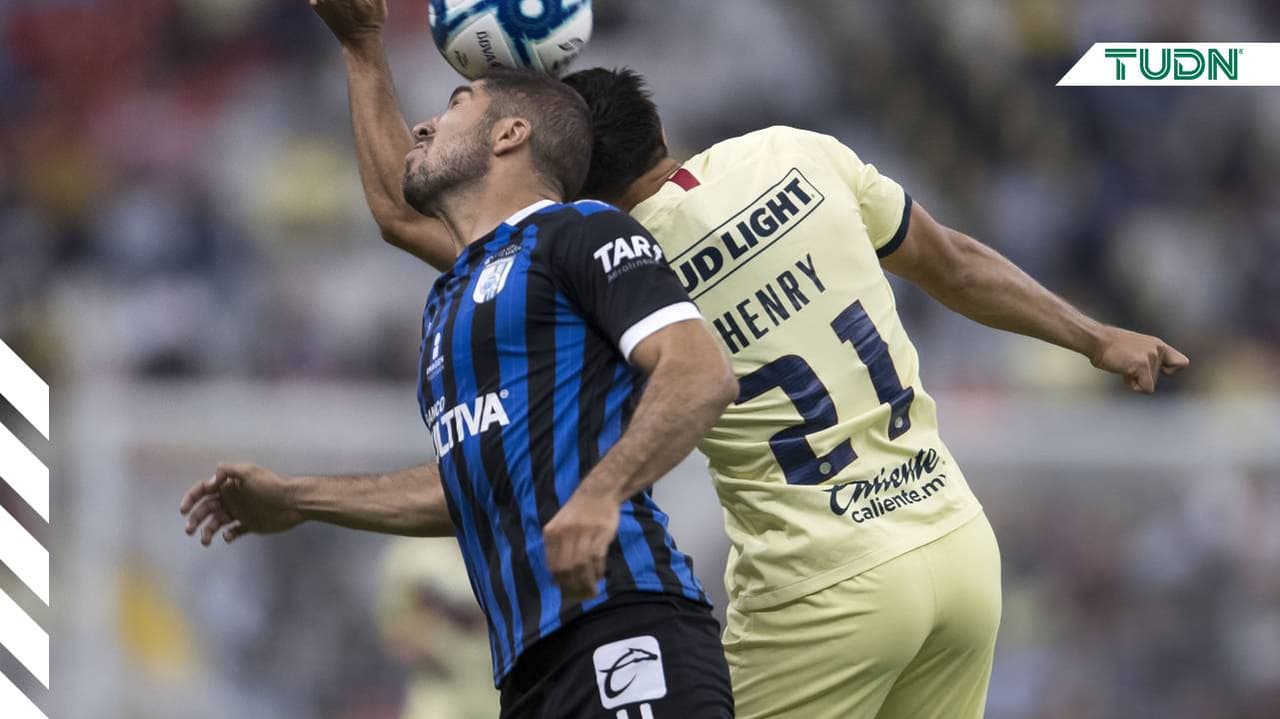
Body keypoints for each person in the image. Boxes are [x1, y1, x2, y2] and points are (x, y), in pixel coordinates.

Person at [286, 1, 1190, 718]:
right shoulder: (794, 155)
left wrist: (364, 50)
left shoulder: (603, 254)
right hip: (957, 550)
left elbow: (408, 218)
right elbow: (952, 261)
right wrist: (1094, 335)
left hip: (823, 591)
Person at [180, 37, 739, 719]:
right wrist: (298, 498)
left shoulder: (577, 232)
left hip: (623, 629)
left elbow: (701, 371)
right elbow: (475, 485)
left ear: (510, 134)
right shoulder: (451, 301)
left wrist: (601, 493)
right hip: (528, 677)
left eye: (455, 105)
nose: (423, 125)